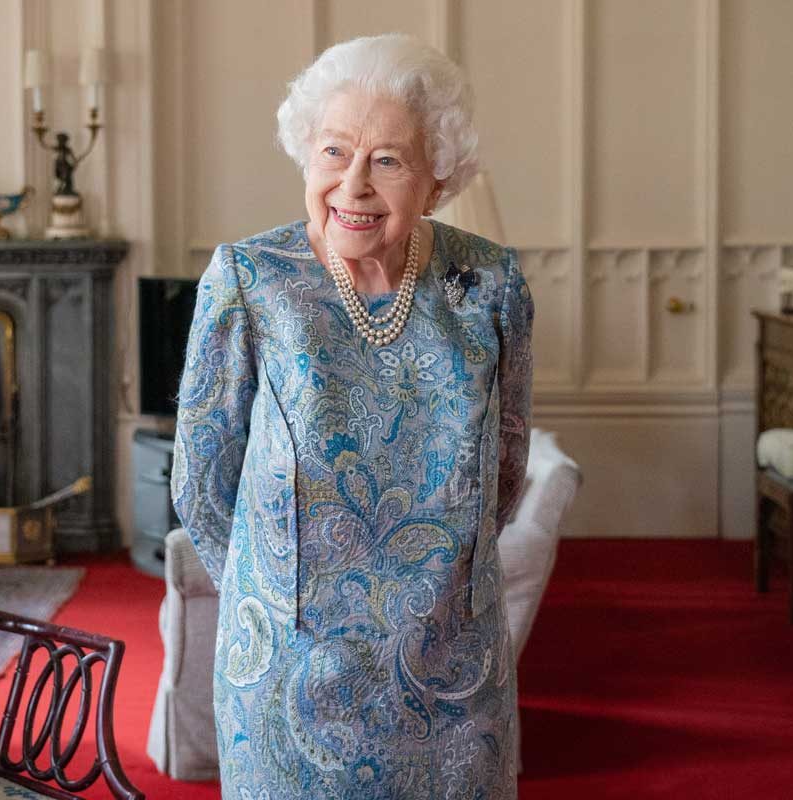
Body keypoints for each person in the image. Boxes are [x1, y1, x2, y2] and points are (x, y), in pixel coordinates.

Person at [171, 33, 533, 799]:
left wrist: (442, 594)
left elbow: (504, 470)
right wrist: (271, 599)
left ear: (436, 180)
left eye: (389, 160)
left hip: (453, 672)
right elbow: (202, 483)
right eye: (335, 152)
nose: (354, 185)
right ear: (307, 156)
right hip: (287, 674)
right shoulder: (248, 280)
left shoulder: (490, 284)